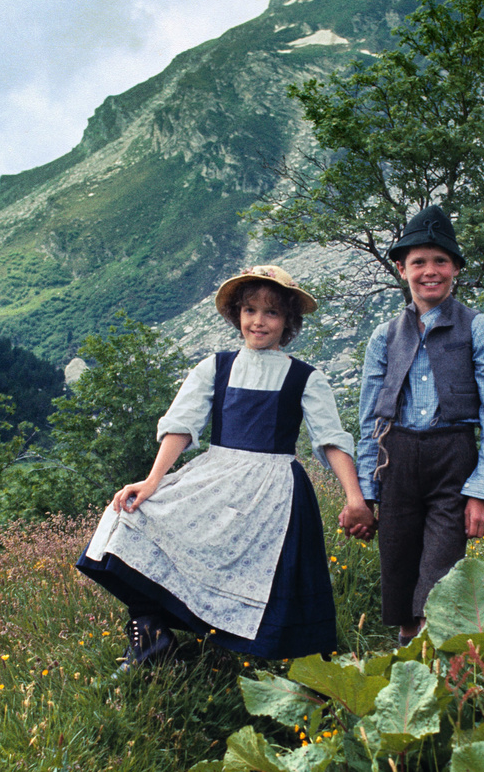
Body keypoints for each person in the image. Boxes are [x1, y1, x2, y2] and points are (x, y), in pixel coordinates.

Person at [78, 265, 375, 670]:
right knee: (130, 518)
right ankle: (151, 636)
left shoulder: (305, 377)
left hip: (274, 488)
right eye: (250, 310)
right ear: (237, 314)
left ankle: (299, 669)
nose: (258, 321)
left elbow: (331, 439)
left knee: (277, 570)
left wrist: (355, 498)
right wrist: (152, 481)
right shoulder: (216, 367)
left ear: (288, 320)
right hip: (216, 475)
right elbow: (182, 426)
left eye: (271, 312)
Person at [356, 206, 484, 646]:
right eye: (418, 262)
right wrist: (367, 492)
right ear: (402, 269)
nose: (430, 271)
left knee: (440, 574)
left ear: (456, 268)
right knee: (400, 572)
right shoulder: (384, 336)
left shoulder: (479, 328)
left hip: (452, 461)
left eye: (441, 261)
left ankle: (435, 658)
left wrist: (483, 491)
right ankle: (409, 659)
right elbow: (370, 419)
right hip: (397, 460)